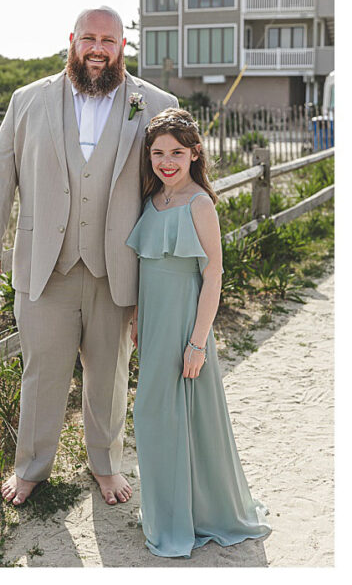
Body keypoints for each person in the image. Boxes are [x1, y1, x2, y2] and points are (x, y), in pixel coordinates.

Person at [0, 6, 177, 506]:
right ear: (72, 41)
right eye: (89, 38)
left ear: (124, 45)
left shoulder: (157, 103)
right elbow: (0, 174)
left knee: (109, 373)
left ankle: (106, 465)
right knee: (42, 372)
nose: (98, 48)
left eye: (109, 39)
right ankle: (31, 468)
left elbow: (176, 181)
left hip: (118, 266)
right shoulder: (27, 100)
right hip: (46, 264)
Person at [125, 108, 270, 557]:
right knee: (154, 420)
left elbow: (214, 274)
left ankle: (187, 520)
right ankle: (168, 513)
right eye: (158, 153)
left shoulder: (200, 203)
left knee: (181, 421)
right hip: (152, 323)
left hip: (185, 325)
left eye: (176, 153)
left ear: (194, 154)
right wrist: (134, 315)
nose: (167, 161)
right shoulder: (152, 201)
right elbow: (144, 267)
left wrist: (196, 343)